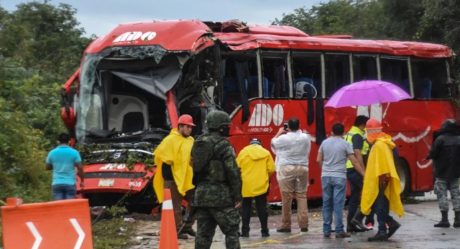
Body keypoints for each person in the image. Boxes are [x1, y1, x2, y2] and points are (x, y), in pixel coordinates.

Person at [192, 110, 242, 249]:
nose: (228, 128)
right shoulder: (224, 145)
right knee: (232, 231)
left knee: (203, 235)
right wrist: (237, 195)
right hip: (221, 197)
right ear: (220, 127)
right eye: (226, 126)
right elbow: (232, 171)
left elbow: (194, 168)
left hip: (201, 196)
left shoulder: (198, 143)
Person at [358, 118, 403, 242]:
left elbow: (382, 165)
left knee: (379, 205)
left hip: (380, 180)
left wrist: (382, 179)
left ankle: (383, 230)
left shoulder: (379, 145)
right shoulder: (386, 141)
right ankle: (389, 224)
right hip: (383, 179)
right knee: (379, 205)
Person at [317, 123, 365, 238]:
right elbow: (354, 162)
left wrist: (325, 170)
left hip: (326, 176)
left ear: (332, 132)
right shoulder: (346, 144)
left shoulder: (324, 142)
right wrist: (364, 174)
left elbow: (318, 159)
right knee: (338, 204)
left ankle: (326, 230)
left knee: (326, 203)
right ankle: (339, 230)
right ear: (343, 133)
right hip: (339, 176)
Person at [153, 114, 196, 239]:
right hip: (172, 180)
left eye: (191, 127)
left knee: (196, 202)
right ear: (180, 126)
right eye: (187, 127)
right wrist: (171, 179)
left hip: (188, 179)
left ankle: (187, 226)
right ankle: (178, 230)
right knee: (175, 207)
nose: (190, 129)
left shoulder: (191, 141)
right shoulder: (169, 140)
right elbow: (162, 158)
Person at [271, 117, 311, 233]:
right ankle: (303, 224)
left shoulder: (283, 138)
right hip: (302, 167)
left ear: (288, 127)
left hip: (286, 168)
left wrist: (279, 132)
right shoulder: (305, 137)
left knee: (286, 198)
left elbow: (273, 143)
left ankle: (286, 224)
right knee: (302, 196)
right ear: (299, 125)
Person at [236, 138, 275, 237]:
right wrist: (266, 177)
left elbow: (236, 167)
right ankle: (265, 231)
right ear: (260, 144)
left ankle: (245, 232)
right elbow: (271, 169)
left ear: (250, 144)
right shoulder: (266, 153)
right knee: (262, 208)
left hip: (246, 184)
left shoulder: (243, 152)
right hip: (261, 184)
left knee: (246, 208)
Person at [428, 119, 460, 228]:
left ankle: (444, 219)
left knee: (442, 195)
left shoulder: (440, 139)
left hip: (441, 172)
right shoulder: (459, 139)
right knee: (456, 195)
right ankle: (458, 219)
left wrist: (429, 156)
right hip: (455, 173)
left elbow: (433, 153)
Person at [344, 115, 371, 232]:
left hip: (349, 168)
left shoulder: (350, 133)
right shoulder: (357, 135)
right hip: (355, 169)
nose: (367, 128)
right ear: (362, 125)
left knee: (355, 197)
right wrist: (363, 171)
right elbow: (357, 153)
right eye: (366, 125)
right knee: (369, 195)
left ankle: (351, 225)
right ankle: (358, 219)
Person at [45, 133, 83, 200]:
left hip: (57, 183)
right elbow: (80, 167)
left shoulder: (52, 152)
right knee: (69, 207)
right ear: (69, 141)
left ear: (58, 141)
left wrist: (55, 165)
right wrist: (82, 181)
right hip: (70, 183)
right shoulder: (74, 152)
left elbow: (47, 167)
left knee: (60, 207)